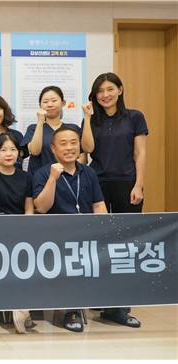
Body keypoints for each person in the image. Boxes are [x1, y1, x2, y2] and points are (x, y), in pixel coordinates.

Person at [81, 72, 147, 328]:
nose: (105, 95)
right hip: (96, 183)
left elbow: (140, 153)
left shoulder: (135, 116)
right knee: (96, 242)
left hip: (126, 184)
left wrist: (139, 185)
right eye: (100, 91)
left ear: (120, 89)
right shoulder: (92, 119)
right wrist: (87, 117)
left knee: (125, 243)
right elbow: (87, 149)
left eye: (110, 89)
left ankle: (119, 304)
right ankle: (99, 295)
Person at [33, 126, 114, 333]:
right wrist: (53, 178)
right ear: (53, 148)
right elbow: (41, 208)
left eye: (74, 143)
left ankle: (116, 307)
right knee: (72, 259)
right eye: (63, 143)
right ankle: (72, 310)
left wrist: (104, 233)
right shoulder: (42, 173)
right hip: (56, 236)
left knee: (114, 255)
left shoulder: (88, 172)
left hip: (87, 234)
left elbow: (98, 205)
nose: (69, 147)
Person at [0, 133, 34, 333]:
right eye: (3, 150)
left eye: (12, 149)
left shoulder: (25, 176)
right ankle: (20, 306)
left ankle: (21, 305)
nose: (8, 154)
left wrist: (26, 230)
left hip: (19, 228)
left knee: (26, 259)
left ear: (19, 153)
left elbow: (29, 209)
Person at [22, 86, 85, 177]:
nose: (50, 104)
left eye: (54, 101)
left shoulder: (73, 129)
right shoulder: (33, 129)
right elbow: (35, 151)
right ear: (40, 106)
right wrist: (40, 122)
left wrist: (65, 169)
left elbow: (83, 157)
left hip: (68, 177)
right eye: (45, 102)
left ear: (63, 103)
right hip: (41, 179)